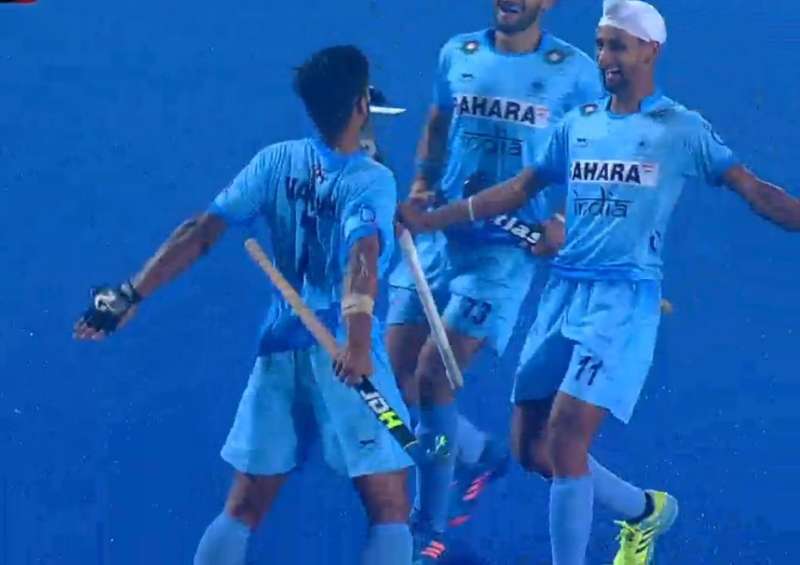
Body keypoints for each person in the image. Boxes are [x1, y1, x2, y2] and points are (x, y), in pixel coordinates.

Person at [399, 2, 800, 563]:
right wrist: (438, 218)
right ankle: (645, 511)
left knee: (566, 437)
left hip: (622, 302)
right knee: (532, 450)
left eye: (618, 46)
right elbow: (518, 190)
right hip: (562, 295)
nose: (606, 57)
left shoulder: (679, 129)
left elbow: (753, 189)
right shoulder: (578, 124)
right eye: (601, 45)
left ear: (651, 51)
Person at [74, 45, 415, 565]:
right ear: (361, 106)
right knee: (389, 509)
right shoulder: (371, 179)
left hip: (278, 349)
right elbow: (362, 255)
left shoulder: (274, 160)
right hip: (340, 346)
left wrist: (130, 294)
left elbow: (200, 232)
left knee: (243, 506)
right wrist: (360, 343)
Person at [384, 0, 604, 560]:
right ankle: (477, 453)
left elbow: (595, 153)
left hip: (504, 254)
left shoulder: (575, 71)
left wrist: (564, 220)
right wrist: (421, 184)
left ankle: (428, 526)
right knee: (396, 380)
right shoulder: (458, 52)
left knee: (435, 377)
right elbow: (438, 123)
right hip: (439, 234)